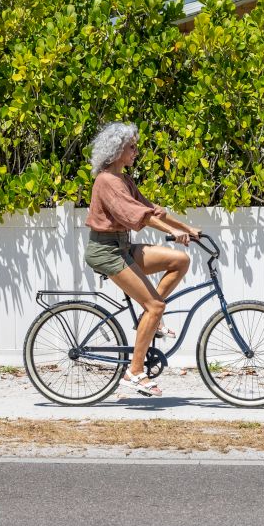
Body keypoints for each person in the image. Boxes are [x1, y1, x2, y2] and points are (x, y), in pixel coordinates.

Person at [85, 121, 200, 397]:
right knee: (155, 305)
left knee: (179, 261)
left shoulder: (123, 179)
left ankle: (150, 320)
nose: (136, 151)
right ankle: (134, 373)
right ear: (117, 150)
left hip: (123, 246)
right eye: (131, 147)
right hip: (106, 251)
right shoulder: (106, 181)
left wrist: (187, 229)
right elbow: (139, 217)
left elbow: (151, 210)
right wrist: (172, 231)